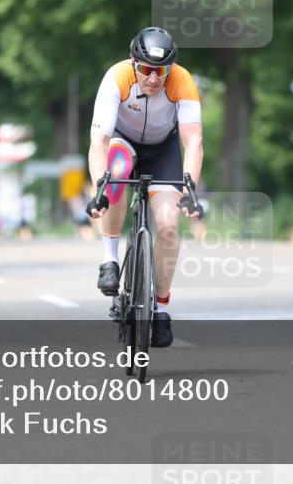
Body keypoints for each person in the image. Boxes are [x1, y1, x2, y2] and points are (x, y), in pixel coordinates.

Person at [86, 27, 204, 348]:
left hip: (162, 151)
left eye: (161, 71)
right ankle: (110, 260)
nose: (153, 78)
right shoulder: (117, 78)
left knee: (167, 226)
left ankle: (161, 309)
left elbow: (193, 141)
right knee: (116, 175)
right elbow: (99, 141)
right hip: (123, 142)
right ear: (133, 63)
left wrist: (190, 188)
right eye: (147, 70)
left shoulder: (182, 82)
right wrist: (100, 185)